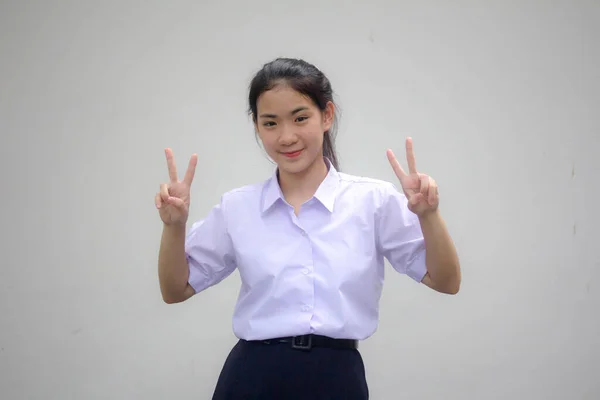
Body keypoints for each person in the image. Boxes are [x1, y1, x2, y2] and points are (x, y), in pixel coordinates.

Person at [155, 57, 461, 399]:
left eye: (300, 118)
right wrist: (175, 227)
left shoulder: (371, 200)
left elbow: (446, 281)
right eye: (270, 123)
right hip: (251, 378)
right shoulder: (237, 207)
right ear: (257, 126)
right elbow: (175, 290)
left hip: (336, 377)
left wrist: (429, 216)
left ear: (326, 115)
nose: (287, 137)